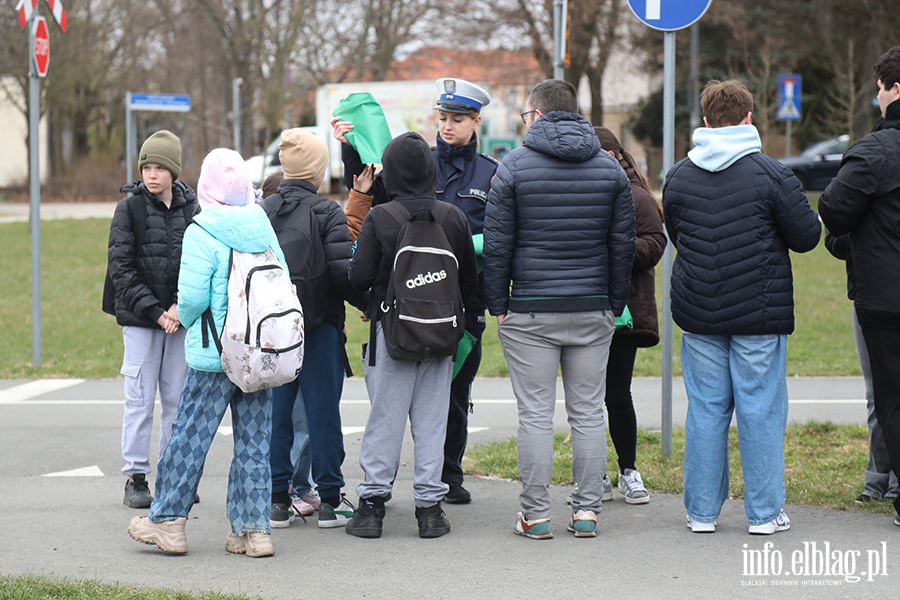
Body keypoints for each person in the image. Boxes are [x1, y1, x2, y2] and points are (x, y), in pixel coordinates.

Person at [663, 80, 820, 535]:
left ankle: (701, 513)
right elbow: (807, 237)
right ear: (750, 119)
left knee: (706, 410)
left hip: (698, 310)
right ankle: (765, 515)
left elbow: (677, 232)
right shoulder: (771, 173)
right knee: (761, 410)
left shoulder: (678, 175)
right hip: (759, 310)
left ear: (706, 121)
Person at [483, 79, 636, 539]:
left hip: (529, 309)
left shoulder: (512, 167)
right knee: (588, 413)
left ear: (537, 114)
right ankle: (587, 511)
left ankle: (535, 513)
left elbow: (497, 245)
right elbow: (622, 245)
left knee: (534, 414)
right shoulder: (609, 170)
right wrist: (612, 303)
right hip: (591, 307)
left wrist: (498, 304)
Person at [335, 78, 499, 504]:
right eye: (442, 118)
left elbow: (497, 235)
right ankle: (416, 491)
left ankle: (450, 474)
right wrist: (350, 148)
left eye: (457, 119)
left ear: (475, 121)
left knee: (455, 394)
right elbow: (378, 198)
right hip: (403, 301)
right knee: (397, 405)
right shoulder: (418, 160)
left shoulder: (491, 173)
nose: (447, 126)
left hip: (462, 304)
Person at [128, 148, 285, 558]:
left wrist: (183, 312)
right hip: (257, 353)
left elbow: (193, 299)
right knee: (254, 441)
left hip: (214, 354)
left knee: (189, 437)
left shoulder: (202, 230)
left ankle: (167, 523)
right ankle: (254, 532)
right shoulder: (262, 225)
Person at [346, 132, 478, 538]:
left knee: (385, 417)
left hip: (393, 333)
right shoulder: (453, 216)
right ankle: (430, 509)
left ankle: (371, 507)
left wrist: (374, 305)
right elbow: (469, 282)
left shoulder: (381, 216)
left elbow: (357, 277)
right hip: (440, 337)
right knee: (432, 419)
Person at [261, 129, 367, 529]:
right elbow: (343, 274)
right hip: (319, 325)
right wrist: (371, 307)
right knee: (323, 413)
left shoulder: (264, 210)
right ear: (319, 171)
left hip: (273, 330)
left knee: (278, 415)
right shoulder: (327, 212)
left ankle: (277, 499)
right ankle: (330, 499)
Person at [819, 45, 900, 527]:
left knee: (889, 395)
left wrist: (859, 241)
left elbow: (833, 210)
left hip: (885, 299)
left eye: (879, 89)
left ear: (895, 90)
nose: (877, 97)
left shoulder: (874, 152)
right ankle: (881, 480)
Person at [106, 130, 197, 509]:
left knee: (177, 400)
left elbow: (196, 264)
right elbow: (121, 269)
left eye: (160, 167)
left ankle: (174, 475)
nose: (152, 174)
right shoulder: (129, 210)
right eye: (147, 166)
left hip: (179, 321)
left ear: (174, 171)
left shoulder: (192, 211)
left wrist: (179, 307)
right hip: (142, 320)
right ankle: (136, 476)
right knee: (140, 400)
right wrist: (157, 313)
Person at [593, 126, 667, 505]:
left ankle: (628, 470)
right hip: (587, 308)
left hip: (623, 312)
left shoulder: (636, 196)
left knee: (617, 395)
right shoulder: (585, 190)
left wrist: (612, 250)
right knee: (587, 398)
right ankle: (595, 475)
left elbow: (655, 244)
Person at [824, 228, 899, 504]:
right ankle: (877, 478)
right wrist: (863, 237)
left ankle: (895, 483)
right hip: (870, 299)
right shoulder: (857, 188)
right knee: (876, 394)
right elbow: (832, 239)